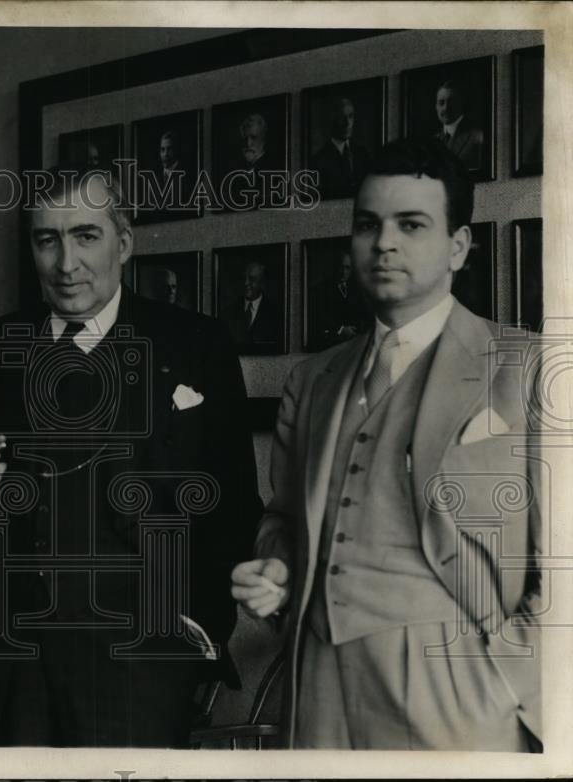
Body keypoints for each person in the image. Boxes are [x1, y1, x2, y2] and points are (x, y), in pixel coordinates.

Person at [0, 170, 263, 747]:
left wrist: (195, 630)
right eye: (46, 239)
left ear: (123, 243)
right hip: (7, 669)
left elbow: (233, 505)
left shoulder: (196, 345)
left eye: (85, 236)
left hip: (140, 669)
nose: (65, 263)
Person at [231, 138, 541, 751]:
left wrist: (507, 681)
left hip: (458, 689)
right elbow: (284, 518)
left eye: (412, 224)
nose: (385, 243)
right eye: (368, 225)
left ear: (459, 246)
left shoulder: (527, 369)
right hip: (316, 683)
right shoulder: (313, 380)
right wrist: (280, 569)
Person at [309, 96, 373, 199]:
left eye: (351, 116)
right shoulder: (319, 160)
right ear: (332, 120)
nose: (348, 123)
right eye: (341, 117)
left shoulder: (363, 153)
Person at [224, 260, 282, 352]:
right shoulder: (229, 311)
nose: (246, 283)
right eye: (244, 278)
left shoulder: (275, 312)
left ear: (262, 283)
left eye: (251, 279)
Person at [318, 249, 370, 347]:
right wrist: (341, 329)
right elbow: (319, 316)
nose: (343, 272)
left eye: (347, 268)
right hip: (331, 343)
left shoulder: (358, 289)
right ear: (333, 267)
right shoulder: (320, 289)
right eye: (340, 267)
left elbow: (365, 312)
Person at [433, 79, 485, 170]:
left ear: (461, 104)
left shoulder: (478, 137)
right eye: (441, 103)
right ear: (436, 107)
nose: (446, 108)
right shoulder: (433, 141)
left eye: (452, 102)